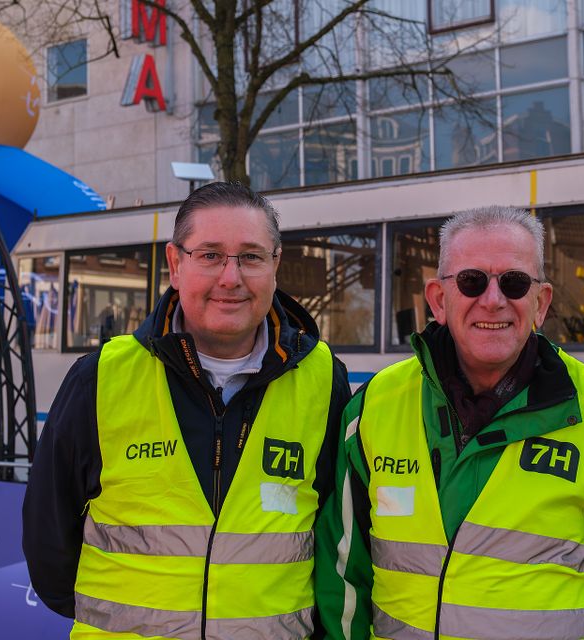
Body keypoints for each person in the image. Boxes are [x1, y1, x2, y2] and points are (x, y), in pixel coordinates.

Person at [316, 206, 584, 639]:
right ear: (438, 300)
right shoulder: (373, 408)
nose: (493, 299)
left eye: (514, 282)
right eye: (472, 281)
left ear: (540, 303)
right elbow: (342, 583)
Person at [22, 182, 351, 639]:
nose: (231, 278)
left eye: (251, 257)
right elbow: (49, 543)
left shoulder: (324, 379)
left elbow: (339, 540)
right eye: (210, 255)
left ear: (275, 266)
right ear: (176, 264)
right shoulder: (100, 378)